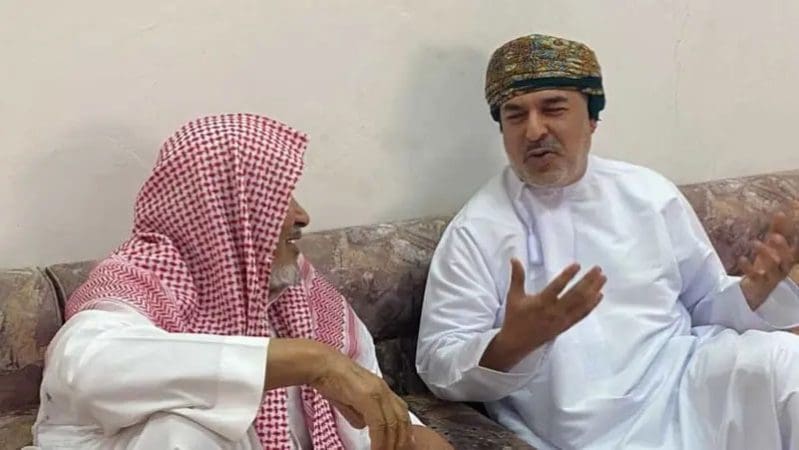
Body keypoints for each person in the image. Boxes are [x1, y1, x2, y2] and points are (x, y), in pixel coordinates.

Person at [415, 34, 799, 450]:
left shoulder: (648, 193)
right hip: (587, 430)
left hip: (686, 383)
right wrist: (512, 342)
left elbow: (705, 305)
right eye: (515, 115)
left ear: (592, 118)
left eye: (553, 109)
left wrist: (754, 292)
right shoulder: (477, 229)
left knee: (785, 361)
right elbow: (437, 362)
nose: (534, 130)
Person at [32, 114, 452, 450]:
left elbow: (361, 396)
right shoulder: (137, 282)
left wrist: (409, 433)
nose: (302, 215)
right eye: (279, 197)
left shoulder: (298, 289)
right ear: (222, 210)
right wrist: (310, 362)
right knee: (182, 428)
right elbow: (86, 369)